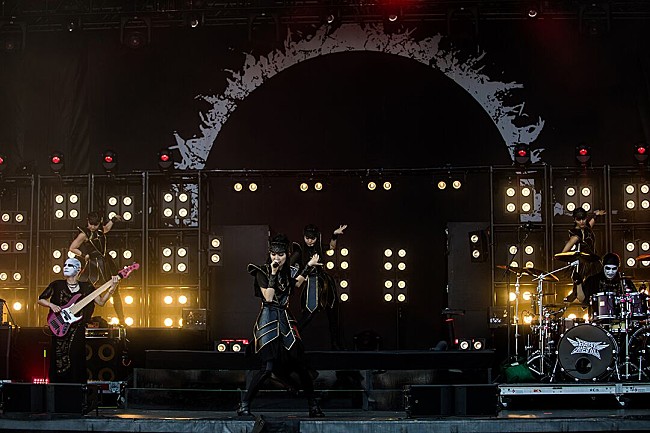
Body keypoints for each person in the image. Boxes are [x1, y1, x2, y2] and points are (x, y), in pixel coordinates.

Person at [237, 234, 324, 418]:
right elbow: (268, 297)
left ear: (286, 254)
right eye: (274, 255)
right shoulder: (261, 271)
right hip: (268, 319)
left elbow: (296, 284)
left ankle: (313, 406)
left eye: (281, 255)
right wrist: (274, 273)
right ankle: (244, 405)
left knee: (301, 365)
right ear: (269, 254)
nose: (277, 258)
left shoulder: (288, 272)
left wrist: (308, 267)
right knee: (267, 368)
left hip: (285, 318)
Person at [37, 257, 118, 383]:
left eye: (70, 265)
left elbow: (101, 302)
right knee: (58, 358)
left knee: (76, 358)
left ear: (78, 269)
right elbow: (40, 299)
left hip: (77, 330)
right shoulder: (57, 284)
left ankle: (76, 389)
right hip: (59, 329)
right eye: (65, 265)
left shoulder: (87, 287)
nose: (65, 267)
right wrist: (51, 305)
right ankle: (56, 387)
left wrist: (112, 288)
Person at [291, 224, 347, 350]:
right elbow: (290, 263)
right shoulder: (300, 249)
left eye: (312, 238)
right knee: (309, 313)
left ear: (317, 237)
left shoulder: (319, 246)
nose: (309, 241)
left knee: (333, 312)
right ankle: (291, 341)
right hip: (311, 281)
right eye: (307, 238)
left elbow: (332, 247)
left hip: (325, 281)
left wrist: (335, 235)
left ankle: (335, 344)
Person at [69, 211, 124, 324]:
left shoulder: (100, 230)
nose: (93, 227)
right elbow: (73, 247)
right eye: (91, 224)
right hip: (93, 264)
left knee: (115, 290)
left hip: (106, 263)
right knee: (88, 292)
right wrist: (84, 255)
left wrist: (113, 219)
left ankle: (122, 319)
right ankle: (80, 319)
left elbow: (107, 228)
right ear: (87, 221)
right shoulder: (84, 234)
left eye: (96, 224)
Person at [562, 207, 606, 303]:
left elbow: (590, 225)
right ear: (574, 219)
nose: (581, 222)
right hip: (584, 264)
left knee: (597, 286)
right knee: (580, 290)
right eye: (579, 220)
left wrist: (596, 215)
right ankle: (561, 310)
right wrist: (575, 257)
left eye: (583, 219)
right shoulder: (576, 235)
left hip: (594, 262)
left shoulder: (586, 228)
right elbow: (564, 251)